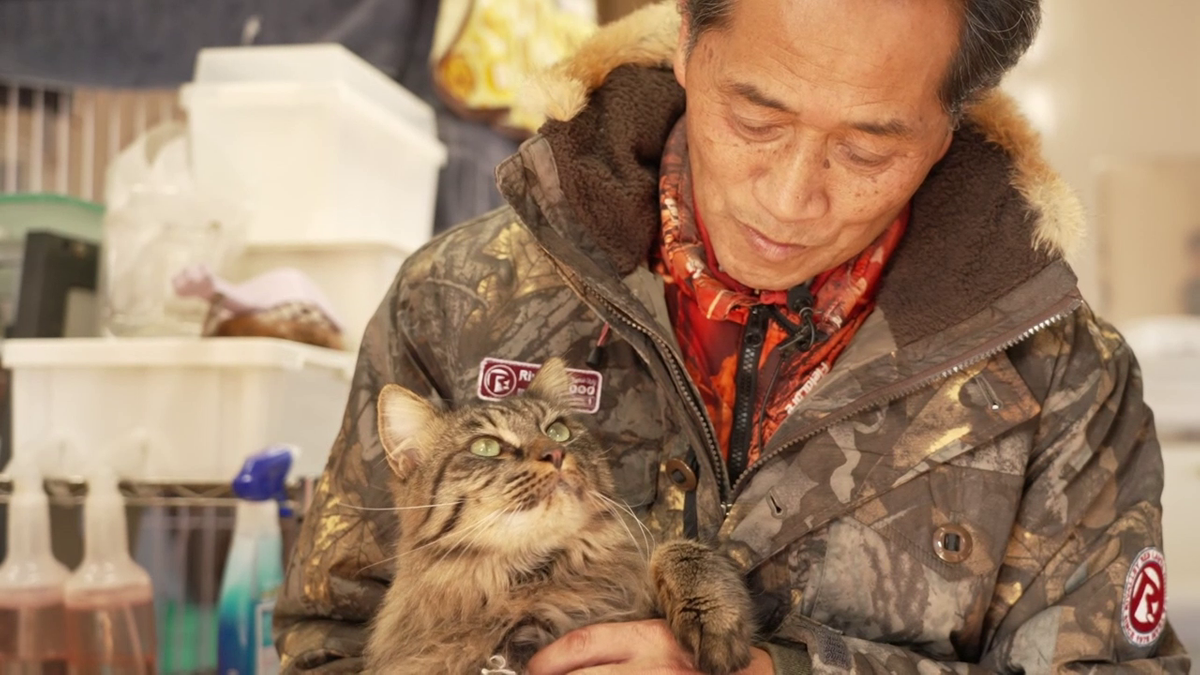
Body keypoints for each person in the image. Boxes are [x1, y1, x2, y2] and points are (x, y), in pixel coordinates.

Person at [273, 0, 1191, 672]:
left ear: (949, 124)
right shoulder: (455, 300)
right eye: (755, 117)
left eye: (867, 149)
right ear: (685, 43)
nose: (789, 198)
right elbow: (328, 640)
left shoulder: (1061, 374)